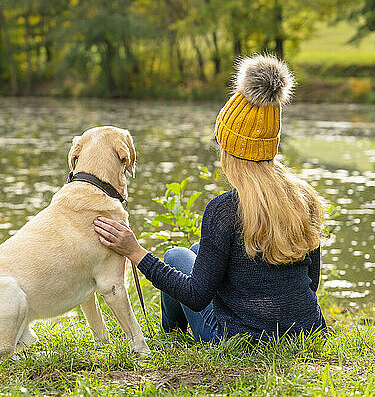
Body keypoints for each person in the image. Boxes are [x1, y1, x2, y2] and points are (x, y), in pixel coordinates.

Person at [93, 54, 327, 343]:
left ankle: (172, 335)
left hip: (241, 338)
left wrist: (135, 251)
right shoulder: (304, 198)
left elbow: (196, 295)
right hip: (307, 329)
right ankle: (176, 332)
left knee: (176, 256)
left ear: (230, 150)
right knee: (198, 248)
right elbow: (310, 283)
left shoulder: (225, 210)